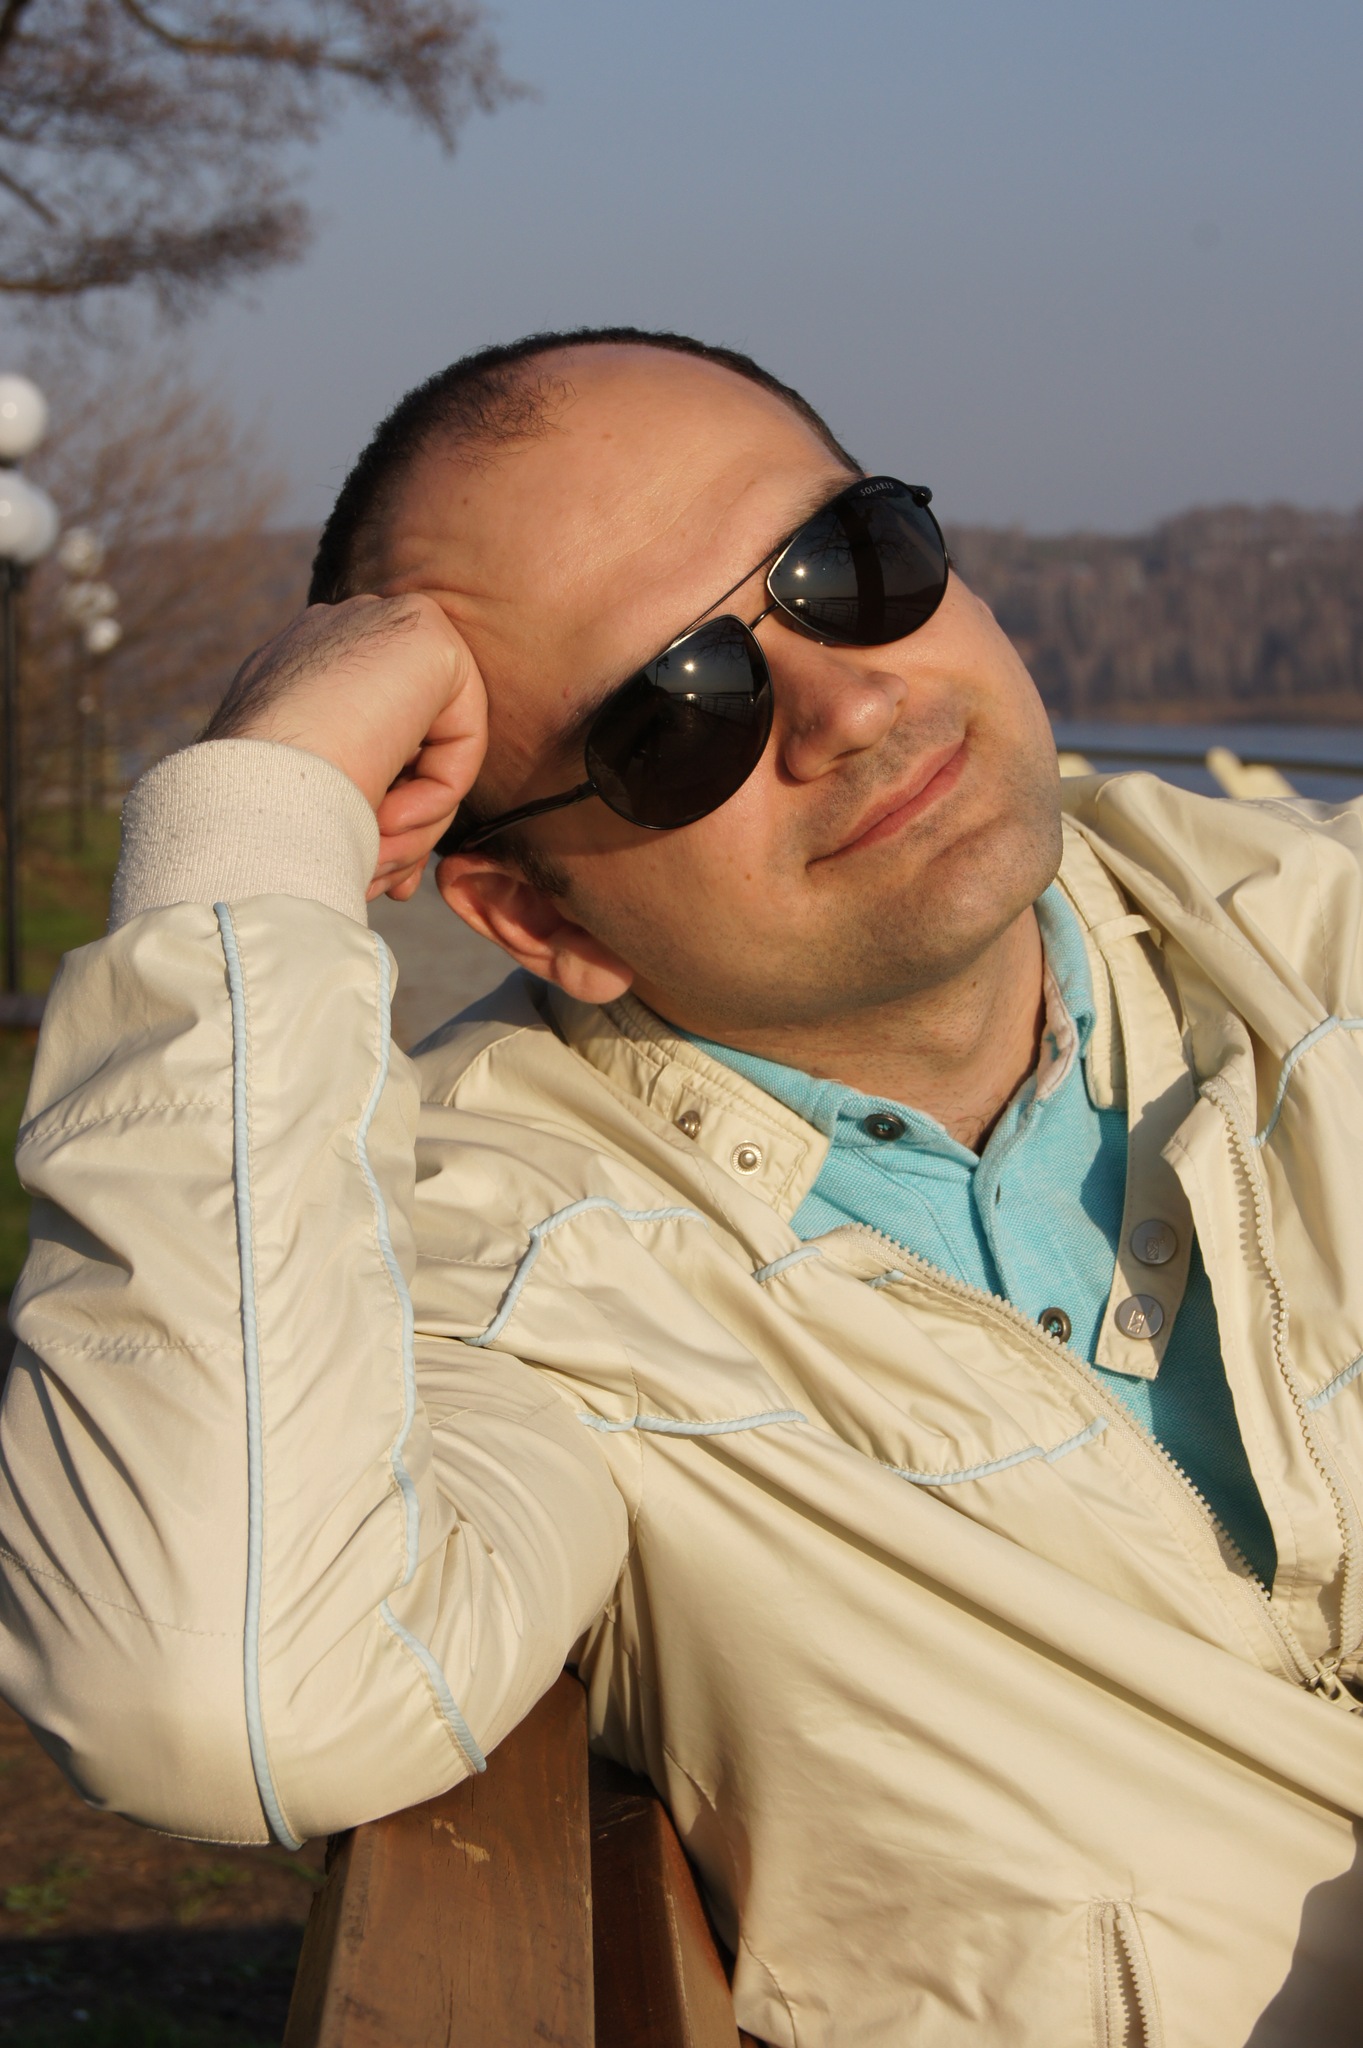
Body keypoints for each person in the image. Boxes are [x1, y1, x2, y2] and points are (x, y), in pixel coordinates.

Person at [2, 327, 1363, 2048]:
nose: (851, 707)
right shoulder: (511, 1283)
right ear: (539, 917)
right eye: (677, 715)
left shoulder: (1318, 938)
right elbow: (217, 1696)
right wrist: (255, 821)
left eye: (849, 566)